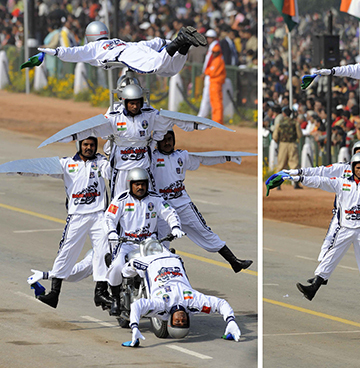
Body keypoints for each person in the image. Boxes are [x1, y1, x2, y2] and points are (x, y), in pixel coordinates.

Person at [60, 84, 218, 197]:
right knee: (119, 203)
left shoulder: (149, 114)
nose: (135, 106)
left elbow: (171, 119)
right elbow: (92, 129)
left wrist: (200, 124)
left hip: (143, 166)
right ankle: (118, 242)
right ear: (124, 102)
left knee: (147, 202)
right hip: (121, 169)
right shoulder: (114, 116)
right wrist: (67, 136)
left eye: (137, 103)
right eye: (131, 103)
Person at [290, 153, 360, 314]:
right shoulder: (341, 182)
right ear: (352, 168)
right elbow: (321, 181)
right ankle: (313, 287)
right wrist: (299, 178)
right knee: (331, 255)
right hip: (345, 228)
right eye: (358, 168)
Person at [14, 137, 112, 309]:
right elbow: (42, 170)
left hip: (99, 215)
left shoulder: (101, 161)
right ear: (79, 146)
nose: (89, 148)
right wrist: (24, 170)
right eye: (85, 145)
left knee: (104, 251)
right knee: (66, 251)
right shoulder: (66, 164)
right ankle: (54, 294)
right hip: (77, 216)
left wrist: (113, 150)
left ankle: (101, 292)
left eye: (92, 145)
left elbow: (112, 171)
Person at [152, 131, 252, 273]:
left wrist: (228, 157)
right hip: (163, 207)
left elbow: (204, 158)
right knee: (161, 242)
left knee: (205, 232)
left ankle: (234, 261)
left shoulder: (182, 156)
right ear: (157, 142)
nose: (167, 143)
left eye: (169, 139)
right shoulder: (151, 157)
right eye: (163, 140)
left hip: (183, 204)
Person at [120, 244, 240, 347]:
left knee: (121, 270)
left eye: (178, 321)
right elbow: (220, 304)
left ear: (171, 321)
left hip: (149, 262)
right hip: (171, 257)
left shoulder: (161, 307)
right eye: (184, 321)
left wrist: (134, 326)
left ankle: (112, 294)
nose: (181, 319)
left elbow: (137, 305)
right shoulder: (194, 303)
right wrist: (230, 321)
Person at [104, 168, 185, 316]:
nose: (140, 187)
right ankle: (115, 298)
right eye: (137, 184)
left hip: (150, 243)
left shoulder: (156, 198)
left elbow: (170, 212)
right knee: (116, 266)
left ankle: (180, 295)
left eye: (143, 184)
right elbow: (109, 217)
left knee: (173, 260)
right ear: (130, 184)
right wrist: (112, 232)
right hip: (127, 242)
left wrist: (175, 227)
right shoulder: (121, 199)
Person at [37, 21, 207, 77]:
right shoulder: (118, 40)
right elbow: (153, 43)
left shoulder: (94, 47)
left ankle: (181, 41)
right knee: (171, 70)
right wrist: (167, 41)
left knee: (157, 65)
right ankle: (185, 44)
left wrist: (53, 51)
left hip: (126, 56)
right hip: (134, 48)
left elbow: (74, 52)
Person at [273, 107, 303, 188]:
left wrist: (277, 141)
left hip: (283, 144)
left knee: (281, 164)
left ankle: (278, 184)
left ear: (284, 114)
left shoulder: (280, 123)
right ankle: (296, 183)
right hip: (292, 144)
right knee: (294, 164)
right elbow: (300, 135)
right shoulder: (295, 123)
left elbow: (275, 136)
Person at [197, 29, 220, 120]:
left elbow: (210, 62)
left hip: (211, 75)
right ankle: (204, 115)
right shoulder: (212, 46)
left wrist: (205, 72)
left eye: (209, 38)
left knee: (207, 95)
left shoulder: (215, 47)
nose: (208, 39)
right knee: (207, 96)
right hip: (209, 74)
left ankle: (202, 115)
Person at [203, 43, 227, 125]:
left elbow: (211, 72)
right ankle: (215, 119)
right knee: (213, 102)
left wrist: (208, 71)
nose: (213, 54)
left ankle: (218, 120)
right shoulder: (215, 60)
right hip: (213, 83)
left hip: (216, 83)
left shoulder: (218, 60)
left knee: (217, 102)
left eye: (214, 52)